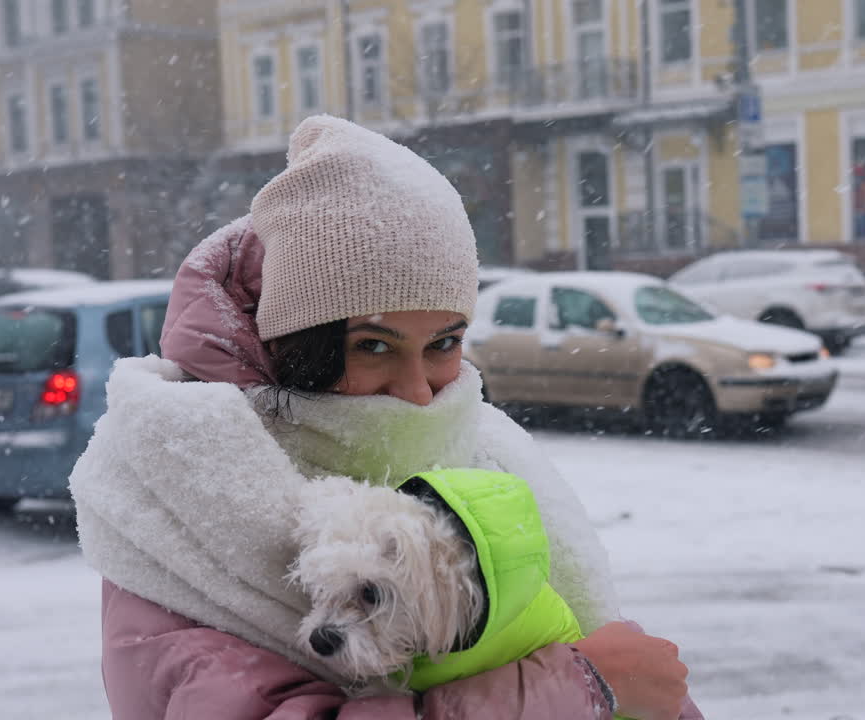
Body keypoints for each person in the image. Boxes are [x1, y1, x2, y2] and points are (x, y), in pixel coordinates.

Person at [70, 115, 701, 720]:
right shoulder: (175, 507)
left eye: (444, 343)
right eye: (374, 346)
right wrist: (582, 689)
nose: (420, 392)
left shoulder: (480, 457)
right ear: (299, 349)